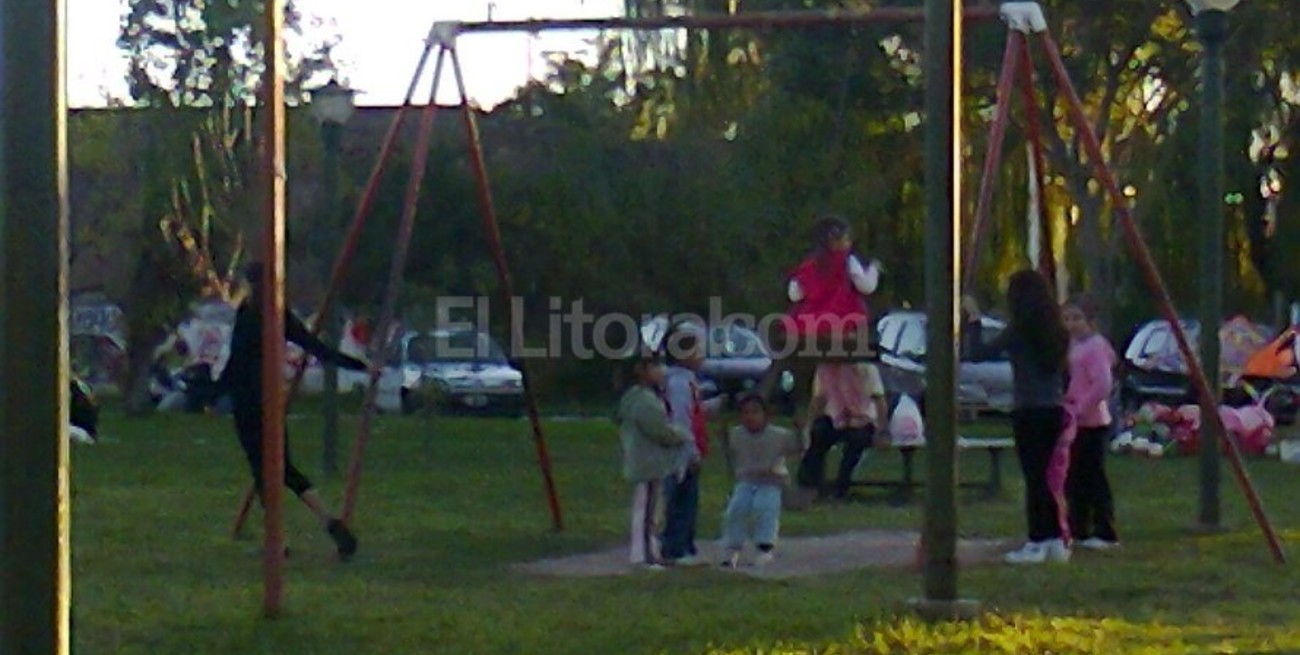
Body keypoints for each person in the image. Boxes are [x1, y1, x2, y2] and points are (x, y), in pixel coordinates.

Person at [219, 262, 368, 561]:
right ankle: (329, 522)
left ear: (250, 284)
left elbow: (236, 362)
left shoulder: (249, 313)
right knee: (284, 468)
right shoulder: (277, 314)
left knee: (264, 471)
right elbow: (316, 347)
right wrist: (361, 367)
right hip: (270, 398)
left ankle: (279, 540)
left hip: (247, 401)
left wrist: (211, 391)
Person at [963, 271, 1073, 565]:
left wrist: (973, 322)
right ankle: (1053, 541)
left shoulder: (1020, 330)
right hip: (1053, 407)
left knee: (1034, 477)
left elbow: (978, 353)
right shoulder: (1057, 330)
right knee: (1048, 478)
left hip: (1028, 409)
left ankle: (1036, 541)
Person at [617, 355, 692, 570]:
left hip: (647, 462)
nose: (662, 371)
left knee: (650, 508)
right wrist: (680, 434)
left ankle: (651, 551)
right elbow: (660, 430)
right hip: (647, 464)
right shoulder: (644, 401)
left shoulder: (636, 397)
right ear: (642, 371)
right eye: (656, 366)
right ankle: (643, 555)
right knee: (647, 510)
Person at [1062, 294, 1120, 551]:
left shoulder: (1095, 347)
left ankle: (1105, 530)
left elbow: (1103, 384)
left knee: (1093, 476)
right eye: (1067, 318)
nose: (1072, 324)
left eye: (1077, 318)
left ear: (1090, 321)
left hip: (1092, 421)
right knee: (1075, 477)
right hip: (1077, 419)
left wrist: (1081, 407)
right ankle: (1079, 527)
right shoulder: (1075, 346)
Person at [659, 324, 721, 566]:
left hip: (687, 451)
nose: (702, 354)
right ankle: (675, 548)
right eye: (697, 349)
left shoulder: (688, 382)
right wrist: (690, 451)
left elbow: (694, 411)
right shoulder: (678, 384)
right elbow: (681, 419)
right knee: (681, 500)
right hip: (680, 454)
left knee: (688, 499)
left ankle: (685, 544)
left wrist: (714, 406)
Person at [719, 394, 803, 568]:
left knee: (765, 506)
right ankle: (732, 547)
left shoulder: (778, 435)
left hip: (772, 480)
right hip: (747, 479)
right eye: (745, 413)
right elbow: (731, 455)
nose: (750, 417)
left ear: (766, 415)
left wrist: (800, 431)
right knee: (736, 508)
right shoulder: (736, 434)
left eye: (756, 412)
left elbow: (797, 448)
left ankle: (764, 547)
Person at [797, 361, 889, 500]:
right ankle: (812, 485)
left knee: (856, 443)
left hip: (863, 419)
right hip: (836, 418)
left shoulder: (867, 368)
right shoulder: (824, 368)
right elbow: (818, 399)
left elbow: (879, 400)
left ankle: (841, 488)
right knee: (818, 434)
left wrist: (882, 430)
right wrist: (808, 426)